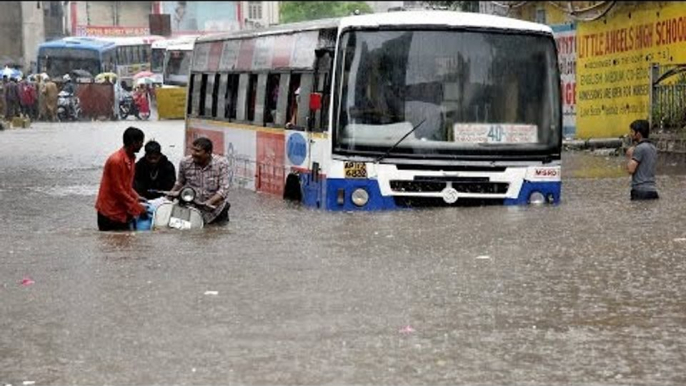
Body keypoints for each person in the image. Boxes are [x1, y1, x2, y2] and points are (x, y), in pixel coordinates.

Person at [95, 127, 148, 231]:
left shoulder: (131, 158)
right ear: (133, 142)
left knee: (125, 244)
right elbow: (118, 190)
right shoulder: (116, 161)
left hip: (122, 211)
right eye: (141, 142)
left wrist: (137, 197)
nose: (142, 145)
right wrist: (137, 207)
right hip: (110, 212)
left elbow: (127, 185)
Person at [170, 137, 230, 225]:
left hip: (216, 211)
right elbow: (180, 182)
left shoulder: (221, 163)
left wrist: (209, 202)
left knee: (218, 235)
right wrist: (169, 197)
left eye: (197, 151)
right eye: (192, 150)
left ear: (208, 153)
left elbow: (224, 189)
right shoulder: (185, 162)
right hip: (191, 208)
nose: (193, 154)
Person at [626, 119, 659, 200]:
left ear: (638, 134)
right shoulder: (653, 147)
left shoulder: (640, 148)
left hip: (640, 191)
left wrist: (630, 155)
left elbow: (630, 170)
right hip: (652, 190)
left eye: (632, 132)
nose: (631, 134)